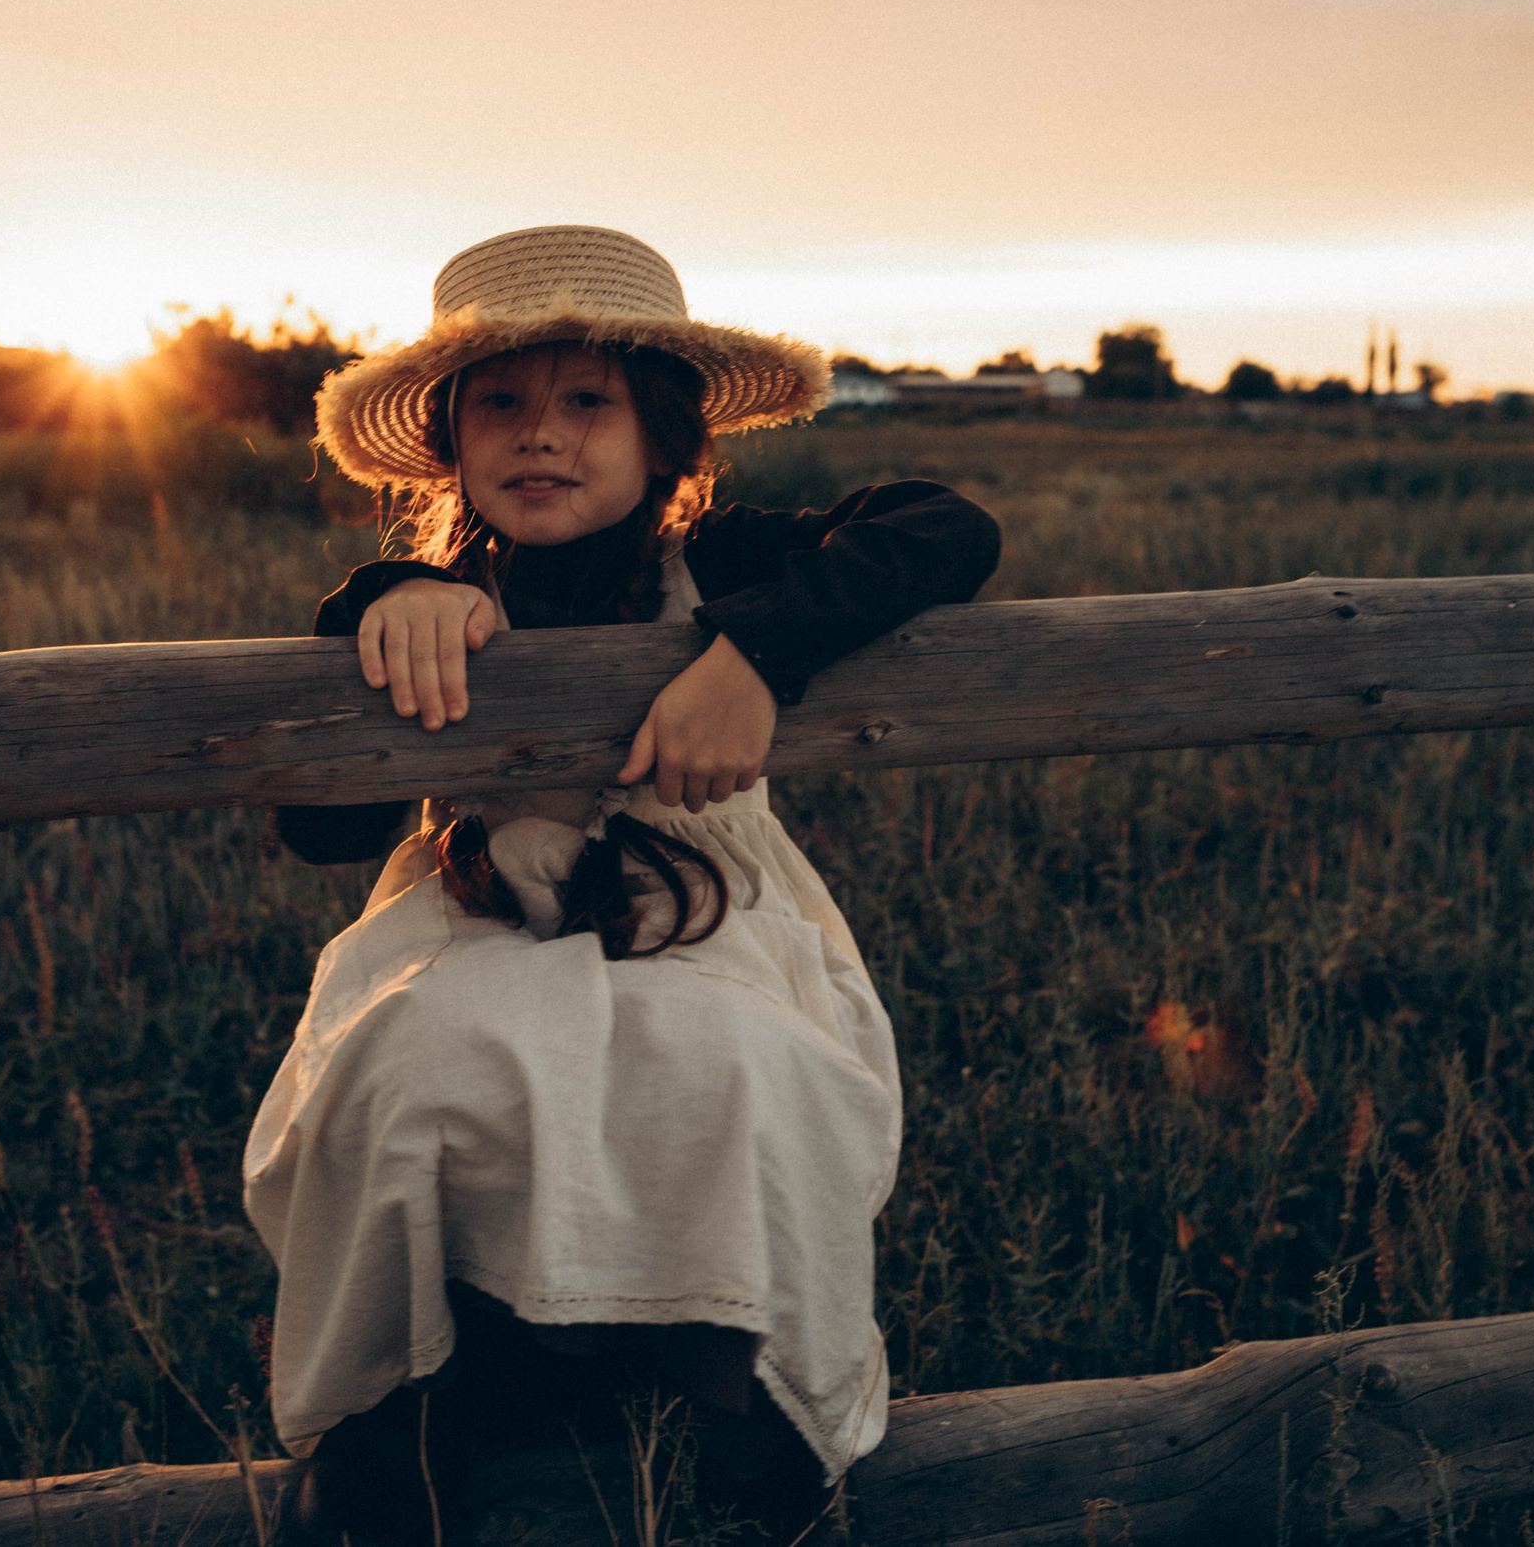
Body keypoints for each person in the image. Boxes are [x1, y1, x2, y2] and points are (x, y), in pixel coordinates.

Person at [245, 225, 999, 1542]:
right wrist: (385, 602)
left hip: (699, 911)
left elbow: (951, 527)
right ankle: (412, 1406)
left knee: (733, 1055)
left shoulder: (735, 560)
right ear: (449, 440)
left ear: (664, 434)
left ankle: (739, 1407)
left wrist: (752, 654)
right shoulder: (431, 592)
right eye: (502, 404)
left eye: (587, 401)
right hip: (482, 911)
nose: (543, 436)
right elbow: (323, 829)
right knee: (420, 1049)